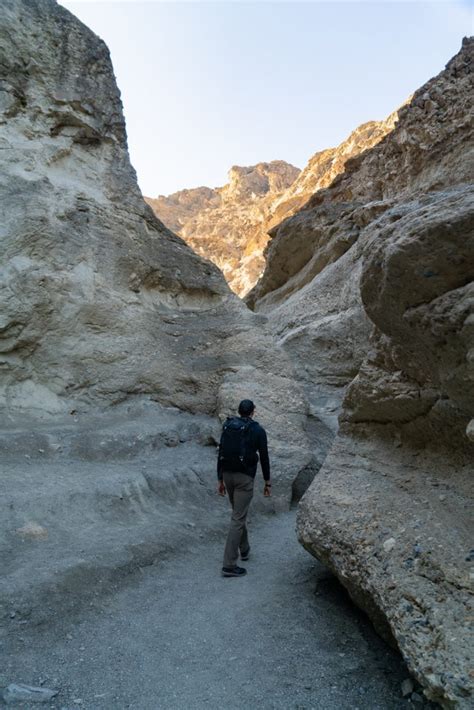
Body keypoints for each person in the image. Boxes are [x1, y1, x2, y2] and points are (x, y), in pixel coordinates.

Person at [217, 399, 271, 577]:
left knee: (237, 514)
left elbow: (221, 451)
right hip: (244, 478)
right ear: (253, 411)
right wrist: (267, 481)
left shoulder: (229, 426)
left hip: (227, 475)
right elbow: (264, 457)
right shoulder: (257, 430)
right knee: (237, 519)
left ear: (239, 411)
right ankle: (229, 565)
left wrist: (220, 479)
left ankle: (245, 549)